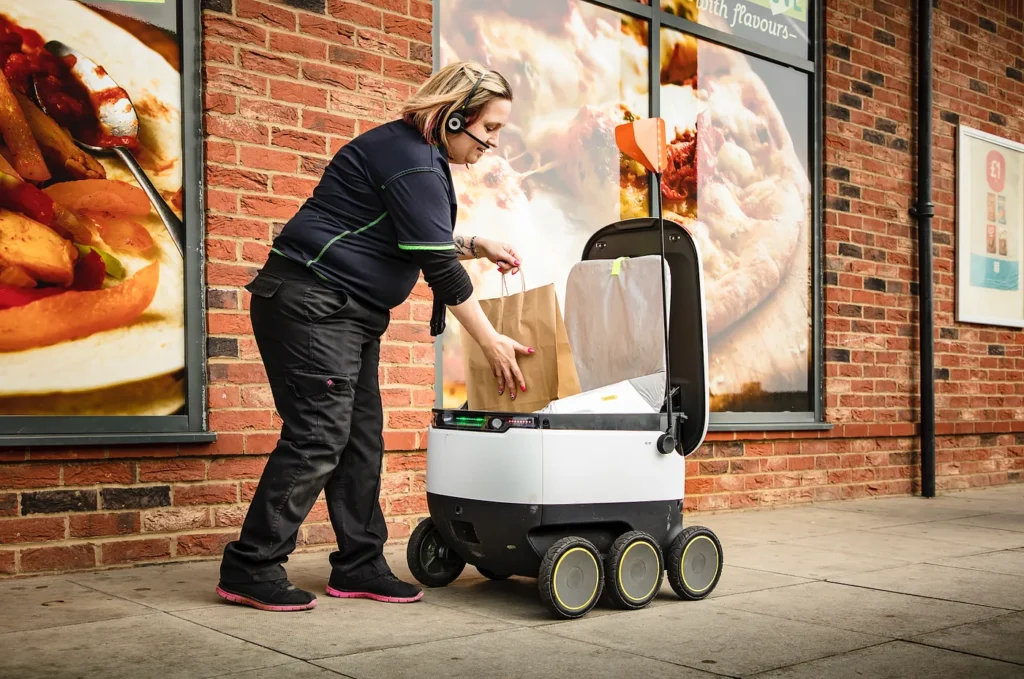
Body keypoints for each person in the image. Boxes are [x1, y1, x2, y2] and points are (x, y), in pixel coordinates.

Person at [216, 62, 531, 612]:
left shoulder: (414, 155)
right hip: (314, 304)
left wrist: (476, 242)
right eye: (492, 128)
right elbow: (436, 265)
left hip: (344, 312)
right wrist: (490, 340)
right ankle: (251, 567)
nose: (494, 143)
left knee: (360, 440)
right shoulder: (411, 159)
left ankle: (359, 564)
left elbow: (415, 234)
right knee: (318, 436)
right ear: (455, 117)